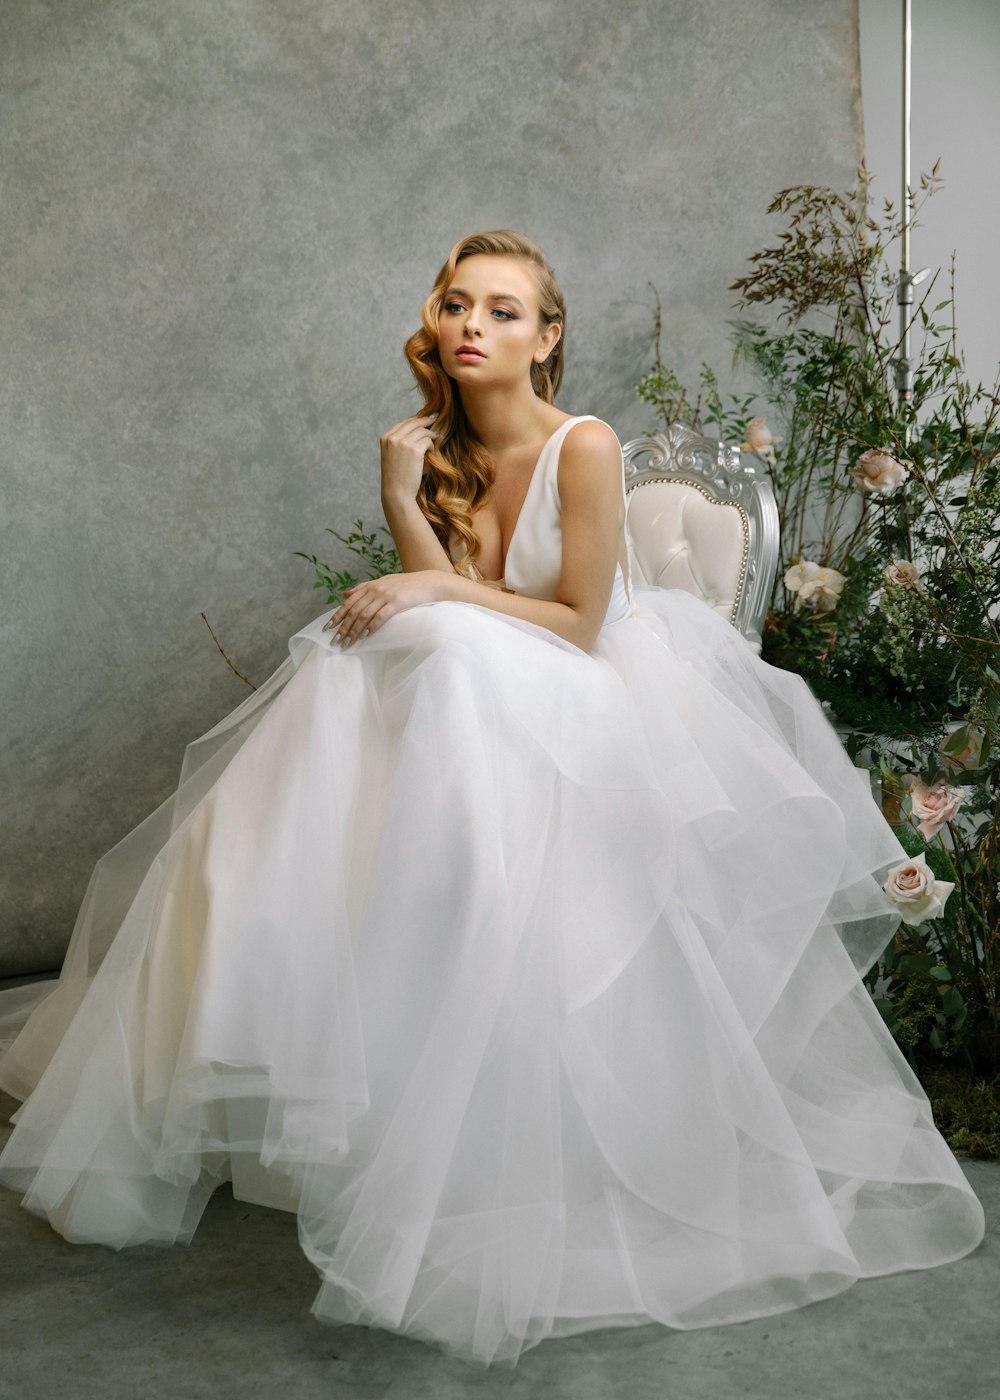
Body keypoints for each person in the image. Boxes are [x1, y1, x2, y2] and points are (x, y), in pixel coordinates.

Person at [0, 230, 985, 1369]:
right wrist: (400, 497)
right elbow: (447, 597)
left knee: (439, 657)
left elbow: (571, 620)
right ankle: (307, 994)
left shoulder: (586, 444)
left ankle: (451, 950)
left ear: (546, 337)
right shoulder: (444, 447)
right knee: (351, 656)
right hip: (478, 681)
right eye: (458, 303)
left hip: (593, 683)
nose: (474, 325)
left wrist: (423, 582)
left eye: (505, 311)